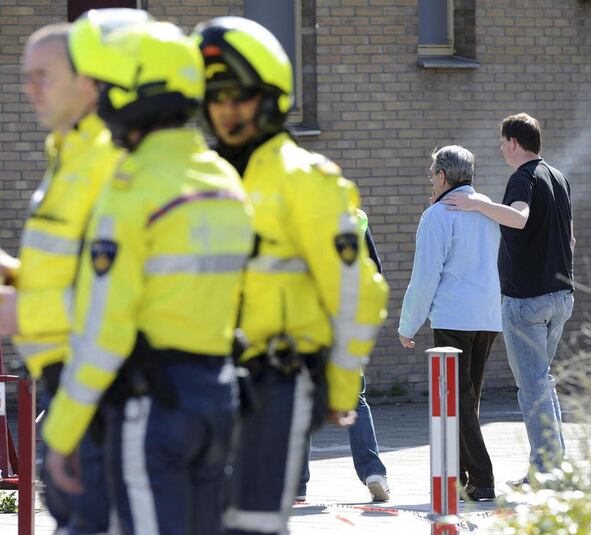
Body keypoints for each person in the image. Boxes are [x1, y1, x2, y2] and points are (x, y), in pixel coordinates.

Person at [41, 18, 254, 535]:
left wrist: (63, 432)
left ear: (135, 93)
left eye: (107, 86)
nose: (101, 99)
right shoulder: (224, 180)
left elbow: (105, 328)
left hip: (153, 406)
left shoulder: (132, 188)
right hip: (218, 399)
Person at [193, 17, 389, 535]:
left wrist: (341, 387)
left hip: (276, 380)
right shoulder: (201, 180)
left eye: (239, 96)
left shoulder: (307, 180)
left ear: (270, 97)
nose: (226, 110)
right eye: (215, 97)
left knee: (252, 520)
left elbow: (358, 291)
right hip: (200, 378)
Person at [0, 12, 147, 534]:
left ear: (87, 82)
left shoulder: (109, 163)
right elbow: (81, 272)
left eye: (43, 75)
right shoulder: (67, 157)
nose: (30, 88)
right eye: (26, 76)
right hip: (69, 385)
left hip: (110, 389)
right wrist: (14, 276)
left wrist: (22, 310)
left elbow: (130, 290)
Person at [442, 113, 575, 482]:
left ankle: (546, 472)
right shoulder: (559, 177)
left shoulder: (523, 177)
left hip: (527, 300)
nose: (501, 148)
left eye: (502, 142)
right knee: (542, 381)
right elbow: (570, 240)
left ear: (515, 142)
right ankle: (553, 464)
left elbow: (518, 217)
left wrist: (476, 205)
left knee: (532, 387)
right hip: (561, 296)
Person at [398, 145, 501, 501]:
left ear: (442, 176)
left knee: (456, 400)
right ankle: (459, 477)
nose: (430, 180)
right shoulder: (487, 209)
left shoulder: (437, 216)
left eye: (431, 174)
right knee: (467, 400)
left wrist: (408, 324)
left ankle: (483, 480)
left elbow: (425, 276)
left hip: (454, 317)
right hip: (488, 317)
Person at [298, 208, 389, 503]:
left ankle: (296, 485)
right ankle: (373, 473)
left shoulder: (294, 210)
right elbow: (374, 273)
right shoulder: (355, 217)